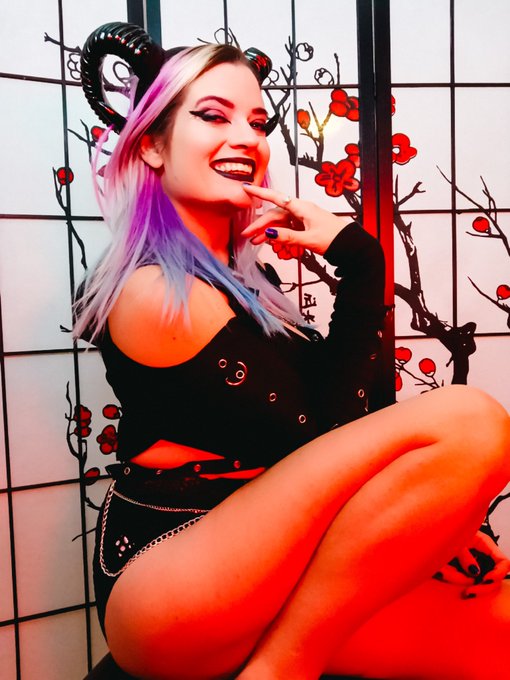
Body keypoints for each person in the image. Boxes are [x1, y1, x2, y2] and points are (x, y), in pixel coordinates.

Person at [76, 22, 510, 680]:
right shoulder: (153, 289)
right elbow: (319, 433)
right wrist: (360, 261)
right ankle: (283, 667)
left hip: (283, 561)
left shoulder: (251, 285)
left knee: (500, 628)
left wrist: (434, 525)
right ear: (154, 146)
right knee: (472, 422)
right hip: (174, 574)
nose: (246, 138)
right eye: (213, 115)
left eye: (257, 123)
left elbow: (339, 424)